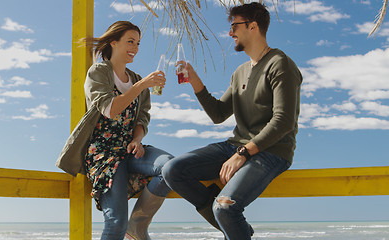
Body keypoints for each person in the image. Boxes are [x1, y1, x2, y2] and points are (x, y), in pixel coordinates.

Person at [162, 2, 302, 239]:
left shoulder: (280, 63)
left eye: (234, 26)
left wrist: (243, 154)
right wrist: (195, 81)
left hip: (271, 152)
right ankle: (237, 231)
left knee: (226, 207)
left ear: (253, 26)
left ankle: (228, 220)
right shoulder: (240, 73)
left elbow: (284, 121)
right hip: (236, 146)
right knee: (173, 170)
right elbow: (218, 114)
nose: (230, 33)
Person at [56, 21, 173, 240]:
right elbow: (109, 109)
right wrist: (142, 86)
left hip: (131, 150)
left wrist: (137, 139)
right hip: (104, 155)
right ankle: (126, 227)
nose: (135, 48)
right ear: (113, 42)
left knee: (172, 167)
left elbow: (142, 118)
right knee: (116, 223)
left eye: (138, 43)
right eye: (130, 41)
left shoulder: (137, 79)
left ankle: (137, 224)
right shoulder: (99, 72)